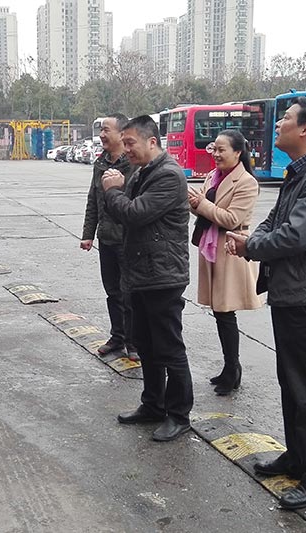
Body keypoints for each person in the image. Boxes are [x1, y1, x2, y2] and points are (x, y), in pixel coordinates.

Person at [226, 97, 306, 510]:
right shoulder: (302, 171)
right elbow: (274, 220)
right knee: (293, 382)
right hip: (294, 291)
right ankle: (298, 457)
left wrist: (251, 246)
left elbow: (297, 235)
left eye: (285, 119)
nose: (278, 124)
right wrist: (253, 238)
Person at [101, 115, 194, 442]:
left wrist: (113, 191)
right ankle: (153, 404)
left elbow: (134, 213)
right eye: (124, 143)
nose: (126, 150)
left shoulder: (168, 175)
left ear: (152, 141)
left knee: (168, 347)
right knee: (146, 344)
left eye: (130, 143)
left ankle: (179, 414)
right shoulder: (142, 172)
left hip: (163, 275)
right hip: (141, 272)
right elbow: (122, 213)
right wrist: (116, 194)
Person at [188, 130, 262, 395]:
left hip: (231, 249)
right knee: (219, 311)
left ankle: (233, 369)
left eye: (222, 150)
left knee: (225, 310)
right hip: (212, 247)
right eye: (214, 149)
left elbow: (231, 219)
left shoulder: (247, 182)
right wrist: (195, 203)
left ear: (238, 152)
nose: (216, 154)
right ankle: (230, 368)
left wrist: (201, 204)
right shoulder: (213, 176)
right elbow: (201, 208)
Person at [80, 113, 139, 361]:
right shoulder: (100, 163)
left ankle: (133, 341)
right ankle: (117, 336)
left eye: (106, 130)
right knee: (113, 291)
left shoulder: (133, 164)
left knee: (130, 292)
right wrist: (88, 234)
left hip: (128, 239)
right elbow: (93, 200)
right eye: (101, 130)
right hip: (106, 238)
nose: (102, 135)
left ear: (121, 134)